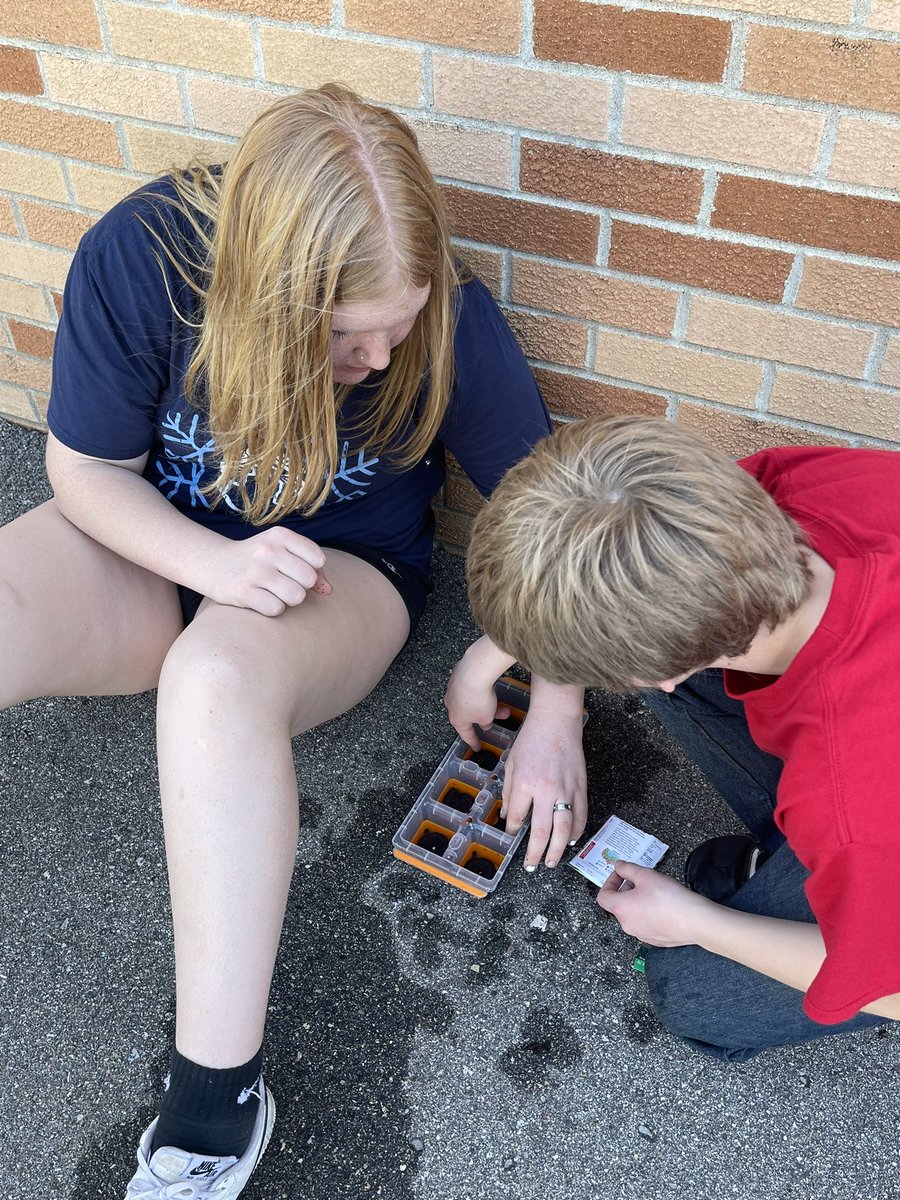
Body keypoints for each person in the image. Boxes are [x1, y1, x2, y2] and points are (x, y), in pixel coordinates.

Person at [0, 84, 585, 1197]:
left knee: (213, 681)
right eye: (341, 333)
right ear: (261, 284)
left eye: (397, 323)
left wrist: (555, 706)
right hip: (163, 549)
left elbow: (550, 523)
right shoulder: (143, 255)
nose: (376, 354)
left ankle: (216, 1095)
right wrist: (212, 565)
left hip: (342, 583)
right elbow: (81, 472)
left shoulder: (451, 318)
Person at [460, 413, 900, 1061]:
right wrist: (498, 671)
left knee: (692, 990)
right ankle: (805, 879)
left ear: (654, 675)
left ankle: (820, 889)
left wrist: (699, 921)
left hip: (871, 827)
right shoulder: (784, 492)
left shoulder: (851, 797)